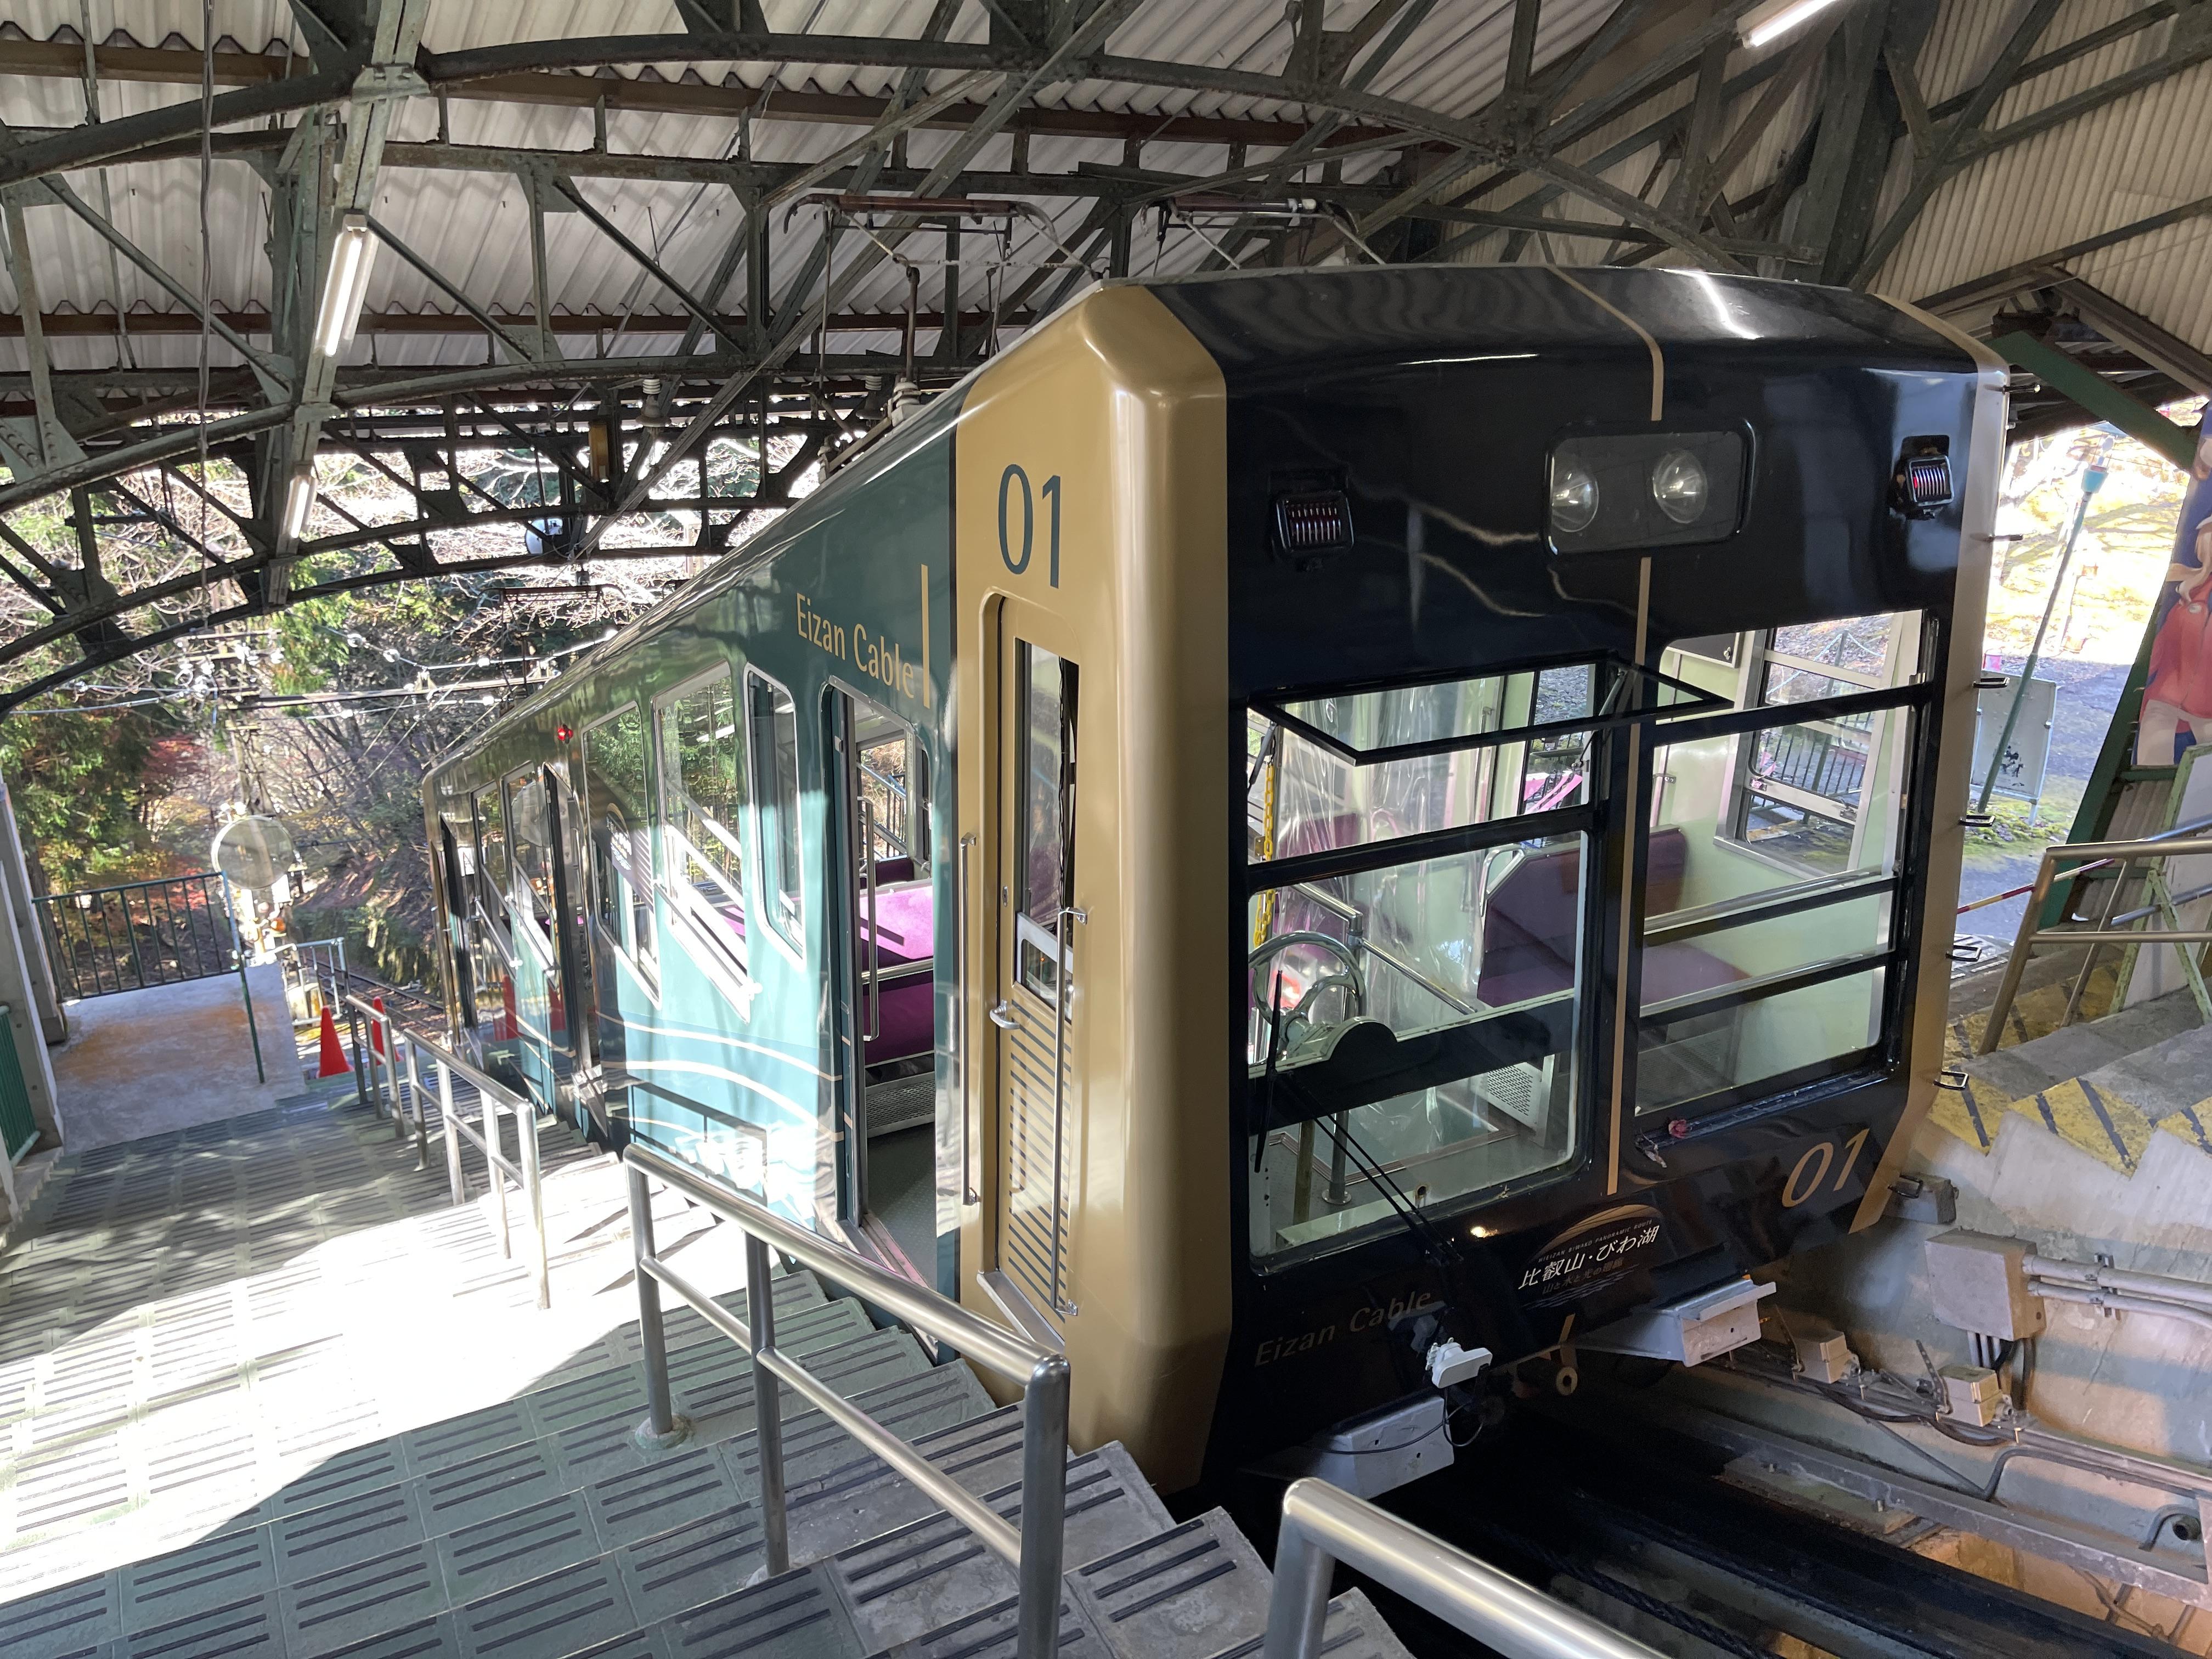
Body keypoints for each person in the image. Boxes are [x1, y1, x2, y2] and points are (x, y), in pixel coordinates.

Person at [2137, 432, 2212, 766]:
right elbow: (2165, 646)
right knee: (2154, 755)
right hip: (2167, 699)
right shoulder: (2190, 592)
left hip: (2205, 708)